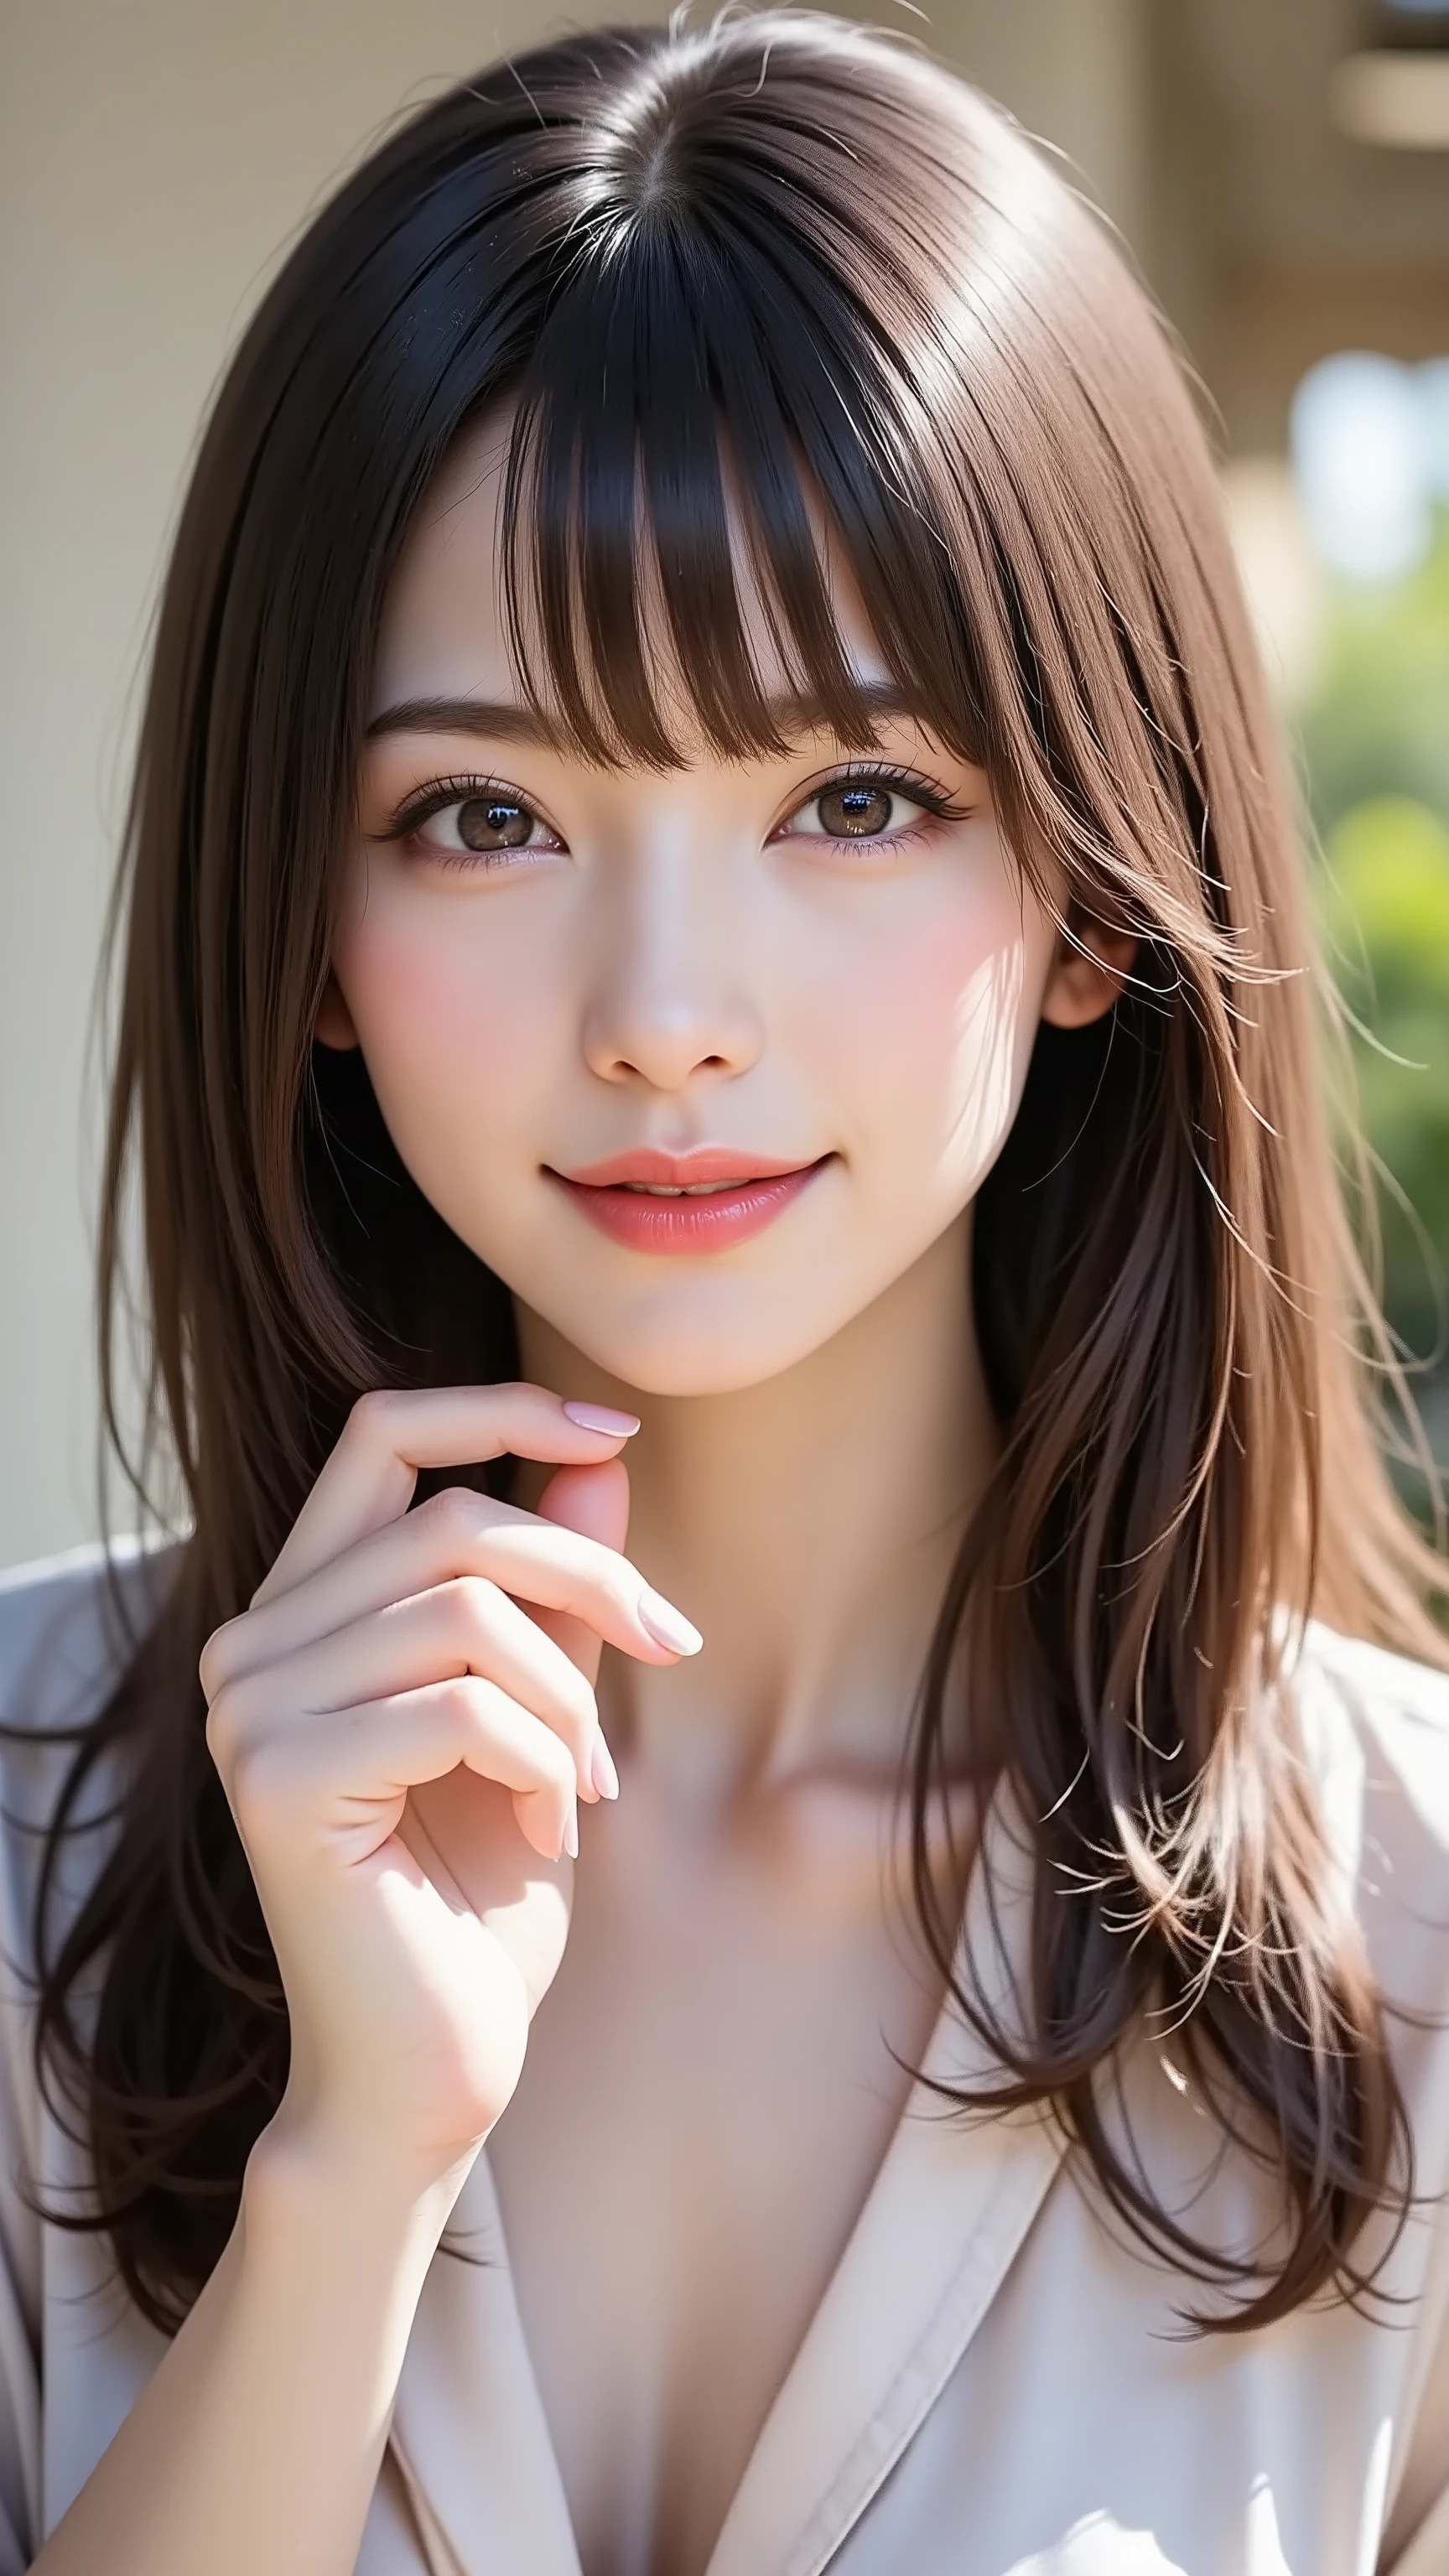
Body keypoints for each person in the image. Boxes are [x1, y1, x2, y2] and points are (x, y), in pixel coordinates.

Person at [2, 12, 1446, 2571]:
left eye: (853, 798)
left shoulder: (1415, 1943)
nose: (666, 1004)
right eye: (483, 813)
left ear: (1101, 888)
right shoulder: (25, 1854)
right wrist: (345, 2174)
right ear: (305, 925)